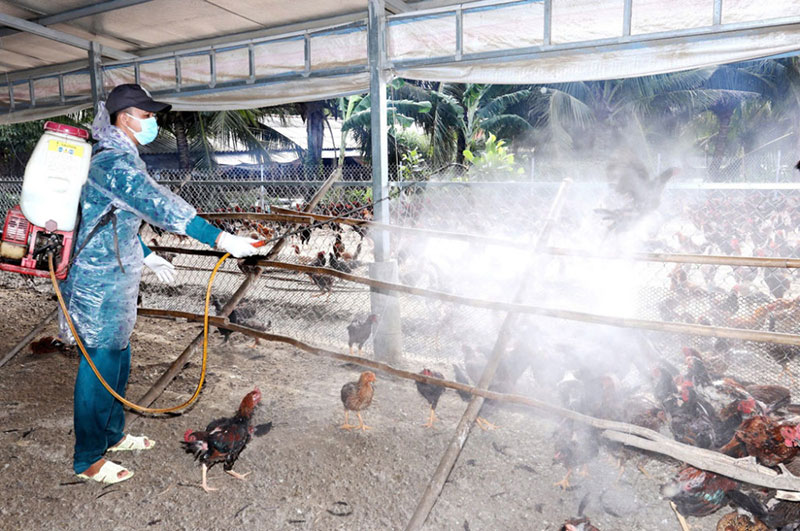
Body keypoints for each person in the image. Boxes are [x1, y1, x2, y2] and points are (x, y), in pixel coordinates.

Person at [59, 84, 259, 484]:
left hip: (114, 275)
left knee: (118, 355)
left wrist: (146, 254)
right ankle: (87, 458)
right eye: (146, 115)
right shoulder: (112, 162)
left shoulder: (120, 156)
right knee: (98, 364)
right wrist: (220, 238)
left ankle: (112, 435)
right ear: (124, 117)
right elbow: (158, 204)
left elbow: (113, 217)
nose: (153, 121)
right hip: (96, 281)